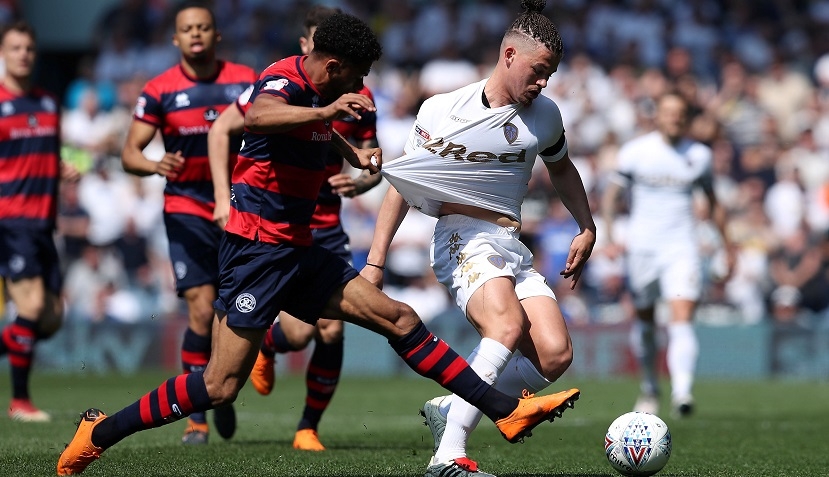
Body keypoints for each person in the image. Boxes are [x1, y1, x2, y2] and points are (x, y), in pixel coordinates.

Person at [57, 11, 580, 476]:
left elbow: (311, 128)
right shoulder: (282, 80)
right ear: (332, 66)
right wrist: (327, 116)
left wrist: (351, 152)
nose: (362, 84)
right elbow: (258, 117)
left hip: (300, 250)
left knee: (400, 319)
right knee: (218, 386)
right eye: (358, 74)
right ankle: (100, 432)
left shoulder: (317, 94)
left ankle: (504, 410)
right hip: (257, 253)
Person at [363, 1, 594, 475]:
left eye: (550, 74)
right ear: (509, 55)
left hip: (510, 242)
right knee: (504, 326)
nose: (543, 83)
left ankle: (453, 405)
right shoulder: (443, 109)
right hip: (461, 236)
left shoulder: (545, 116)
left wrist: (587, 226)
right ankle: (448, 455)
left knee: (555, 354)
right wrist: (375, 261)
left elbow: (562, 168)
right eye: (538, 71)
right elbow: (403, 185)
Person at [207, 5, 383, 451]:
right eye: (309, 42)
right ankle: (258, 349)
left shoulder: (356, 95)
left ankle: (308, 427)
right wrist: (221, 197)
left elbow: (369, 158)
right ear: (311, 48)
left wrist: (362, 177)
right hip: (272, 224)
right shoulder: (280, 84)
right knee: (301, 332)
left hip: (324, 223)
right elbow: (232, 125)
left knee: (332, 329)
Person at [118, 1, 257, 444]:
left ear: (217, 34)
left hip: (239, 205)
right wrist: (154, 165)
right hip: (186, 208)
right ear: (175, 38)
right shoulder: (159, 89)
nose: (196, 33)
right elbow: (130, 154)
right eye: (187, 28)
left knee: (235, 308)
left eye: (203, 27)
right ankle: (197, 417)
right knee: (200, 308)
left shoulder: (245, 80)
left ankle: (220, 386)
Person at [601, 91, 732, 418]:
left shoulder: (699, 156)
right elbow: (612, 196)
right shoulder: (636, 152)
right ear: (657, 116)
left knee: (681, 316)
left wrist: (724, 244)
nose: (674, 117)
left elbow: (713, 202)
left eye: (679, 112)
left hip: (681, 247)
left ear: (687, 118)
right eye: (668, 111)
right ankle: (649, 386)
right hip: (642, 248)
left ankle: (682, 393)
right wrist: (611, 236)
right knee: (645, 323)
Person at [0, 21, 78, 422]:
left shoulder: (48, 102)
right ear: (3, 54)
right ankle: (20, 402)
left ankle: (14, 352)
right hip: (11, 221)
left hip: (44, 223)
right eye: (15, 48)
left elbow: (43, 153)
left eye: (29, 48)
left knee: (49, 319)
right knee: (29, 305)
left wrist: (61, 167)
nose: (23, 55)